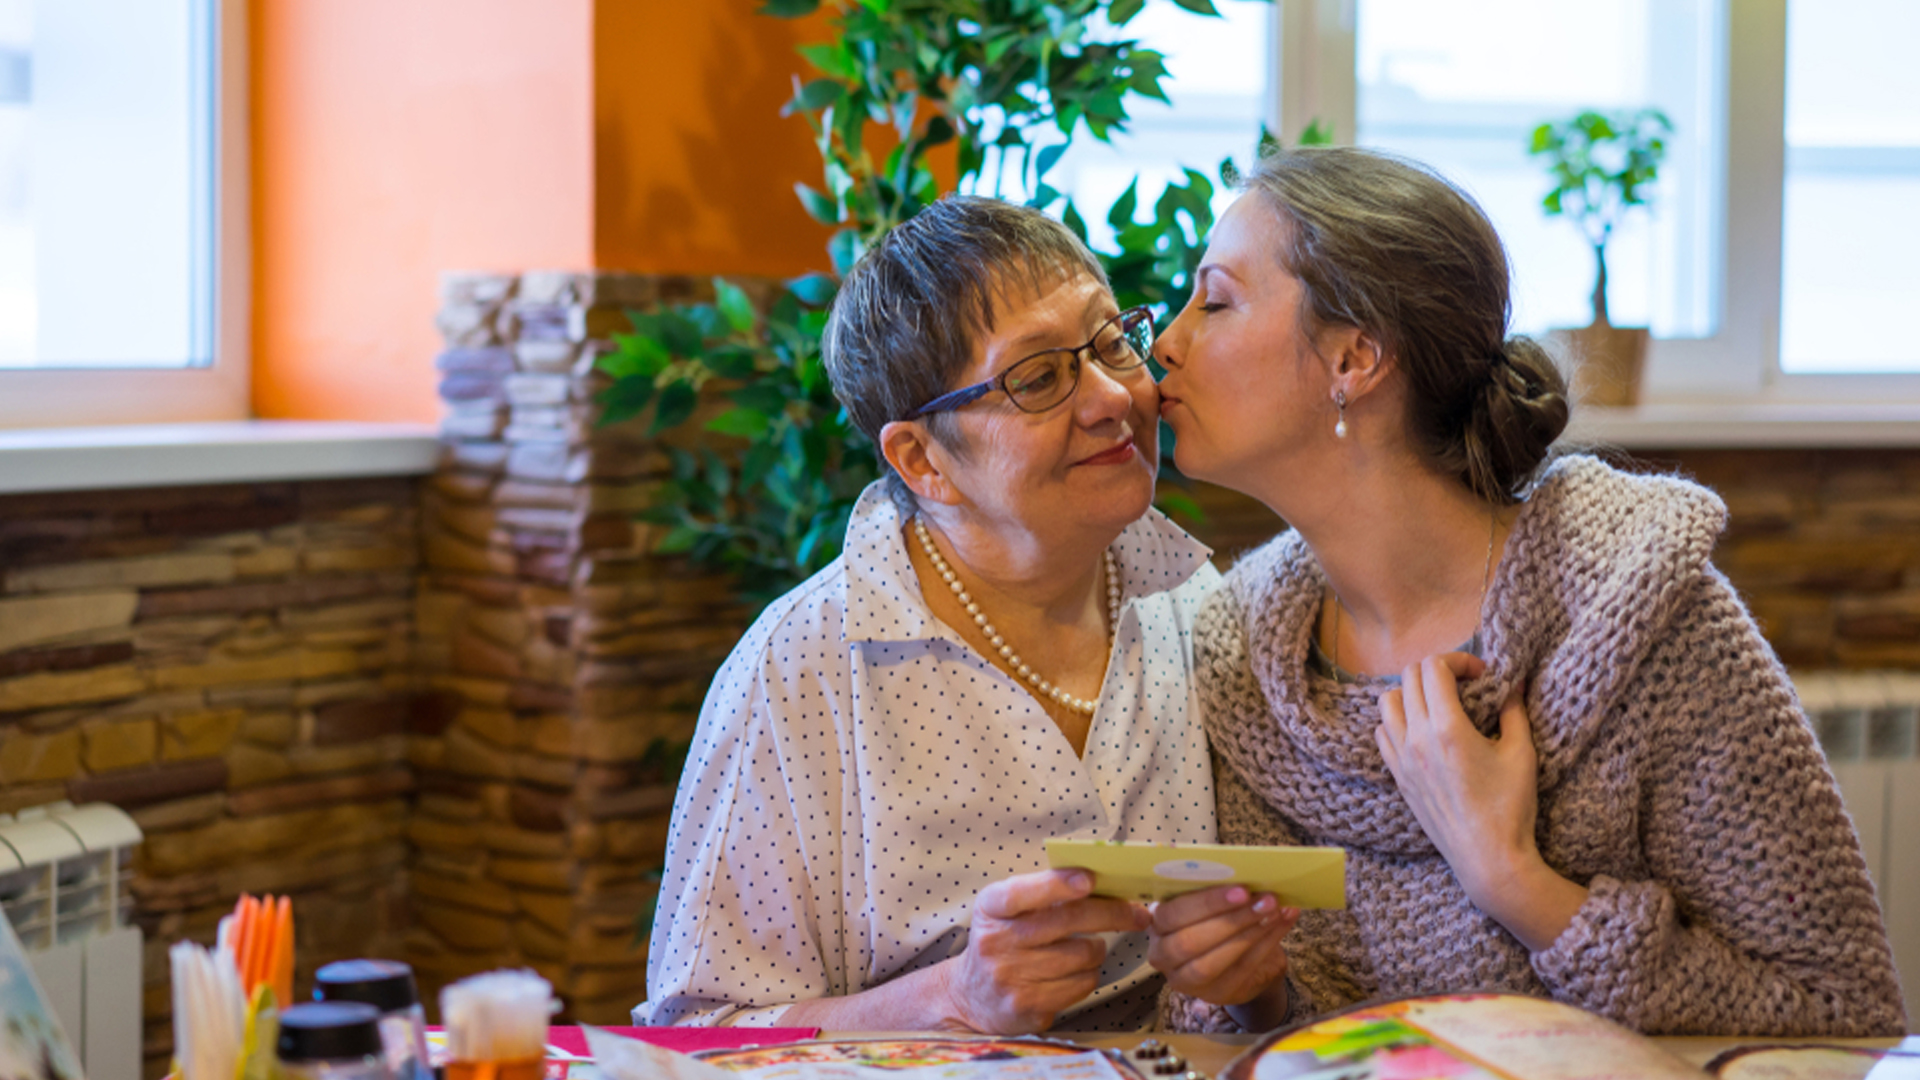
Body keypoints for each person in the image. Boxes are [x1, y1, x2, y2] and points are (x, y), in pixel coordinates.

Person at [1144, 146, 1907, 1036]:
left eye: (1219, 300)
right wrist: (1250, 990)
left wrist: (1511, 877)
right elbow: (1283, 1032)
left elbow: (1846, 1018)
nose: (1167, 340)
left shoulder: (1648, 625)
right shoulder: (1240, 668)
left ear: (1353, 359)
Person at [634, 196, 1222, 1032]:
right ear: (922, 460)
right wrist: (954, 998)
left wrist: (1249, 979)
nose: (1110, 398)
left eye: (1110, 343)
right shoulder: (803, 668)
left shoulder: (1196, 603)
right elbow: (695, 1038)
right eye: (1039, 377)